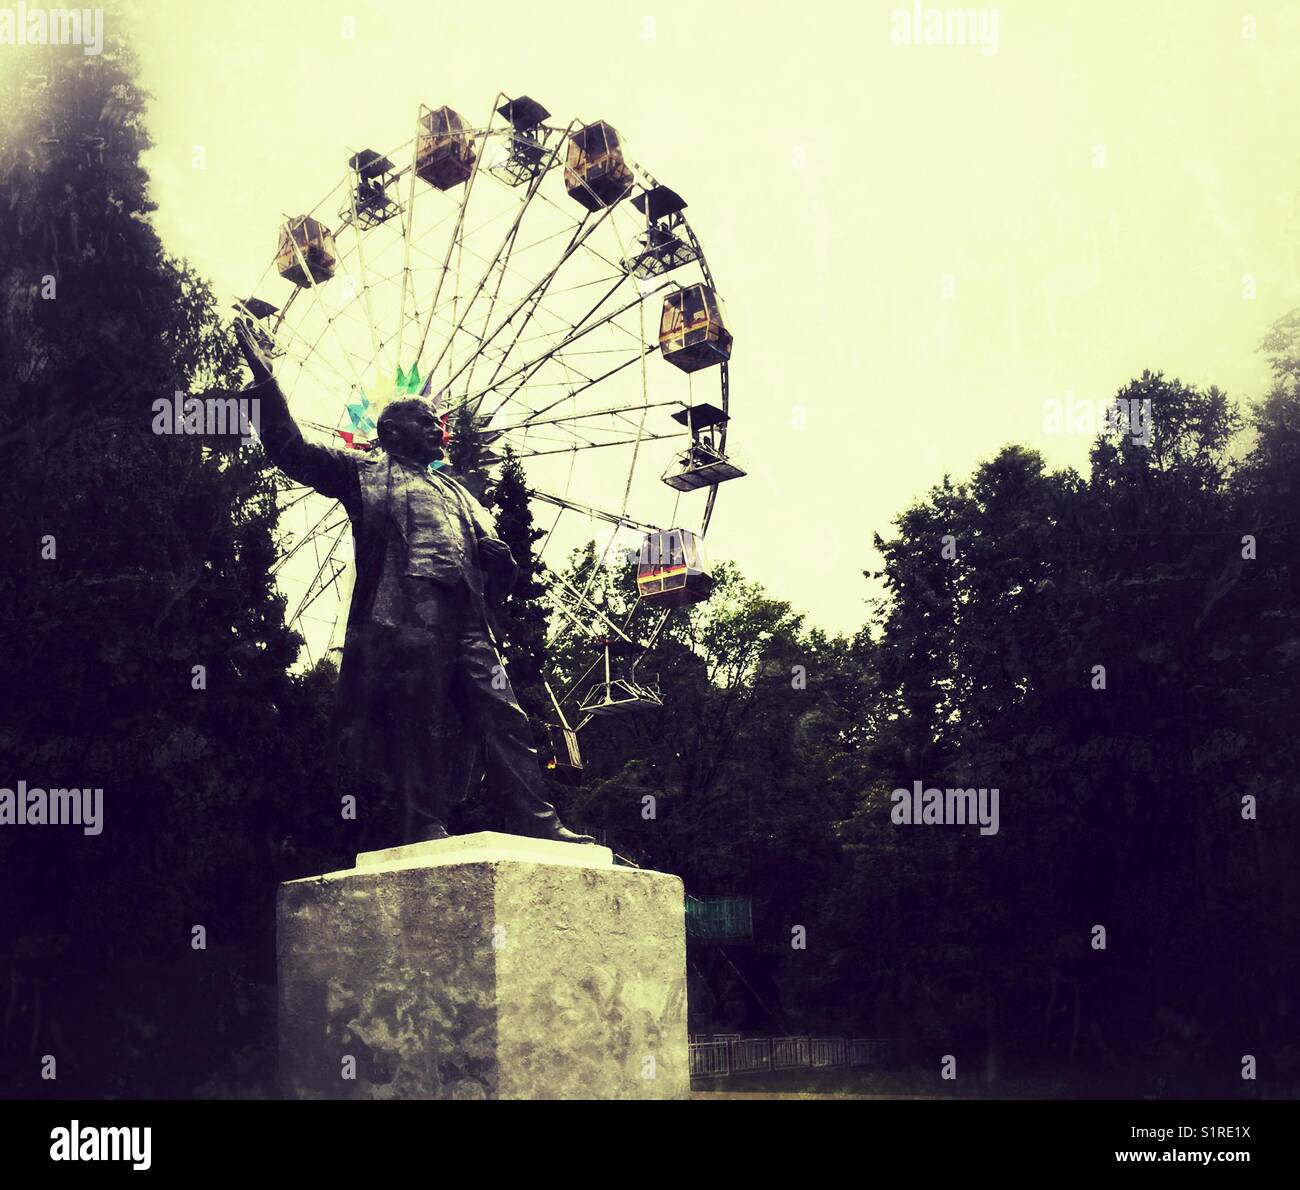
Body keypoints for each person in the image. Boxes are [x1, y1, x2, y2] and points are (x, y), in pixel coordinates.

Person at [234, 318, 594, 845]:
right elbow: (291, 449)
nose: (440, 428)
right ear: (393, 432)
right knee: (418, 722)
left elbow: (491, 555)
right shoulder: (362, 472)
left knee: (504, 715)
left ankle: (540, 822)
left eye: (439, 422)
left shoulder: (460, 494)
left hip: (468, 617)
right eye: (427, 422)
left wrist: (499, 567)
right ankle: (423, 822)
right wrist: (265, 381)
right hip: (408, 613)